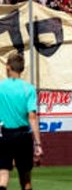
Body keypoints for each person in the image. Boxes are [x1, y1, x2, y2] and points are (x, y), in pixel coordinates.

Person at [0, 52, 43, 190]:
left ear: (8, 67)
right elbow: (32, 117)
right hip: (23, 136)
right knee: (25, 178)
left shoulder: (1, 87)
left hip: (4, 135)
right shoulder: (28, 89)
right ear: (22, 68)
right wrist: (38, 144)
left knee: (3, 174)